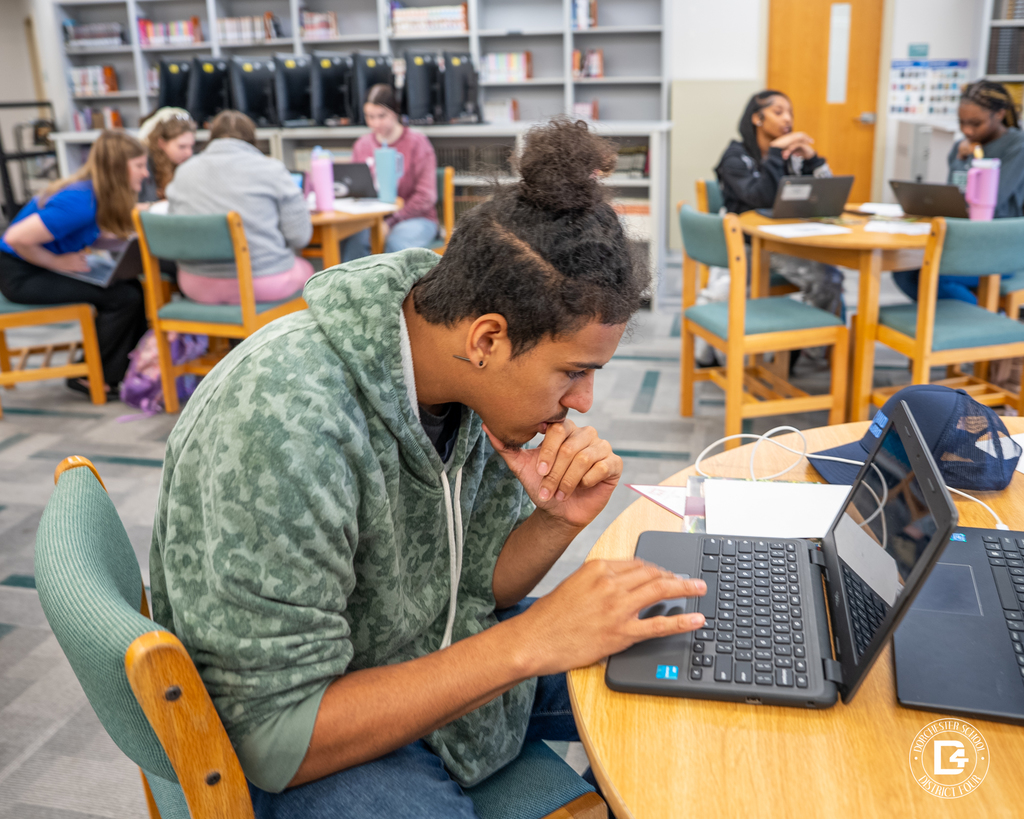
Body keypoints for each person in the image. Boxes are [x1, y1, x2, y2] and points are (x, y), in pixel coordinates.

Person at [149, 118, 707, 817]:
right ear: (487, 337)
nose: (585, 402)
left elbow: (475, 584)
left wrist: (556, 520)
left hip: (417, 654)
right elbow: (276, 737)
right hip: (312, 734)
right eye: (574, 371)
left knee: (682, 647)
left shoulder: (460, 376)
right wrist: (526, 643)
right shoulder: (284, 424)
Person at [0, 129, 150, 396]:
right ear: (117, 169)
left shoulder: (94, 193)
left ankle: (123, 370)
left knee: (133, 288)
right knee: (123, 297)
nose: (145, 173)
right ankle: (90, 376)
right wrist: (58, 262)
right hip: (20, 274)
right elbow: (15, 237)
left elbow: (87, 233)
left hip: (34, 265)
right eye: (139, 166)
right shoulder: (80, 202)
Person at [714, 90, 844, 316]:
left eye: (790, 114)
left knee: (832, 277)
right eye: (778, 112)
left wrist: (813, 159)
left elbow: (828, 195)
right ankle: (811, 351)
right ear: (757, 118)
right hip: (752, 244)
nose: (788, 119)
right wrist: (775, 153)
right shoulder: (735, 158)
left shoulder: (791, 157)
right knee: (828, 279)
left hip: (790, 238)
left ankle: (814, 346)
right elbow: (760, 198)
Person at [894, 80, 1024, 304]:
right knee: (903, 271)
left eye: (976, 123)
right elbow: (954, 196)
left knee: (939, 276)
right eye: (962, 122)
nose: (967, 130)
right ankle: (945, 324)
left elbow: (991, 200)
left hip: (1001, 245)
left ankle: (984, 323)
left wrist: (968, 160)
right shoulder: (961, 147)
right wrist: (960, 159)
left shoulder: (1017, 147)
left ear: (1000, 114)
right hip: (964, 239)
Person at [165, 110, 314, 305]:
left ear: (211, 138)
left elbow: (175, 231)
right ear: (253, 141)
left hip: (196, 285)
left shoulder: (183, 172)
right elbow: (300, 237)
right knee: (309, 274)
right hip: (262, 283)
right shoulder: (272, 170)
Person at [342, 83, 439, 261]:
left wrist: (391, 221)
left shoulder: (417, 143)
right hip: (371, 219)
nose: (375, 123)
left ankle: (392, 289)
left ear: (395, 113)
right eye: (370, 117)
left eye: (382, 116)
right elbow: (356, 190)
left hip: (415, 218)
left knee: (396, 246)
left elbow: (426, 196)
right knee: (353, 243)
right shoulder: (362, 145)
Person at [137, 107, 196, 204]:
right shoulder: (145, 166)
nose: (189, 153)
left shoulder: (185, 164)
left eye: (191, 146)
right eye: (182, 147)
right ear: (161, 143)